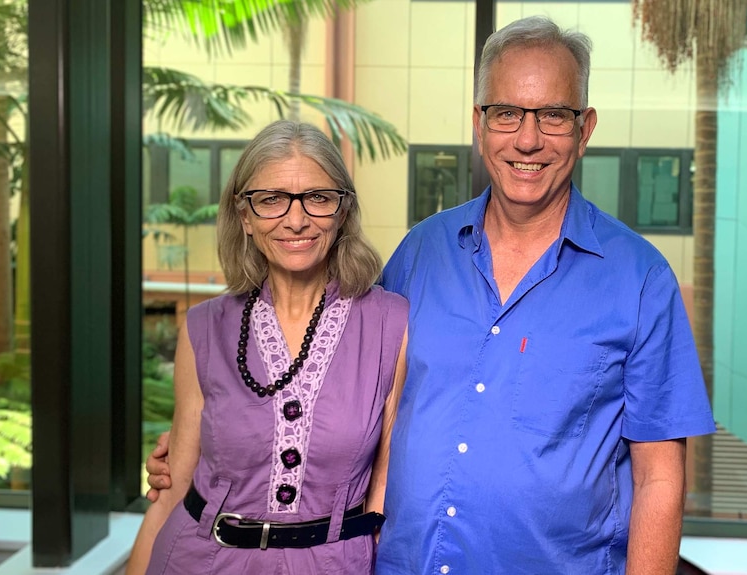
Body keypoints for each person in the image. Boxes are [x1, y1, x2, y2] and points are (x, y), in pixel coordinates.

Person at [146, 15, 716, 574]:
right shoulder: (419, 255)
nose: (527, 138)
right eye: (507, 113)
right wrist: (214, 439)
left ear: (586, 127)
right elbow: (336, 374)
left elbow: (660, 479)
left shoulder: (639, 280)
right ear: (479, 122)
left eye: (554, 115)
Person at [127, 120, 408, 575]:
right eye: (271, 199)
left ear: (342, 211)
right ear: (244, 215)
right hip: (200, 558)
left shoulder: (391, 323)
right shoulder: (203, 327)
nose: (295, 220)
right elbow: (173, 487)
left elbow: (387, 486)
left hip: (334, 562)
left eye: (317, 197)